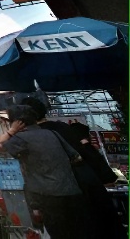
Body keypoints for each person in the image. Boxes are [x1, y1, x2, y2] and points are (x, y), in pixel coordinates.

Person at [21, 98, 121, 237]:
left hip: (64, 196)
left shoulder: (31, 138)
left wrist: (36, 206)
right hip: (90, 184)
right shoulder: (63, 127)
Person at [0, 104, 84, 239]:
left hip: (47, 195)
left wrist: (11, 131)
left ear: (16, 122)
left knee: (57, 232)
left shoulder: (21, 138)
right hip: (71, 191)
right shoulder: (52, 134)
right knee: (74, 231)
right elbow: (77, 158)